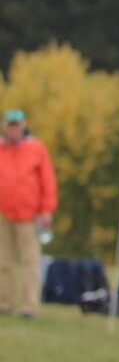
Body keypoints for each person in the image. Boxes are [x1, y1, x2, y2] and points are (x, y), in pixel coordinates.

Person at [0, 107, 57, 320]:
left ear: (22, 127)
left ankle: (29, 307)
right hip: (4, 213)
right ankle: (4, 303)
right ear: (5, 127)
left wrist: (46, 210)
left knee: (29, 262)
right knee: (3, 261)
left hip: (29, 215)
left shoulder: (36, 149)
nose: (13, 130)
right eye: (9, 126)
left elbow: (48, 181)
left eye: (17, 126)